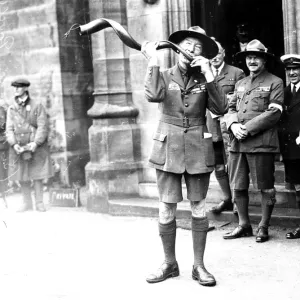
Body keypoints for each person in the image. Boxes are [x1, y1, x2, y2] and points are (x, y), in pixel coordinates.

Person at [141, 26, 226, 287]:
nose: (191, 49)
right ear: (178, 47)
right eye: (187, 44)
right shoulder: (164, 75)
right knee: (166, 206)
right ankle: (169, 263)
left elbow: (221, 108)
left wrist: (210, 74)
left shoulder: (205, 79)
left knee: (199, 206)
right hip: (168, 148)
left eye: (198, 46)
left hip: (198, 149)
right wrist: (153, 61)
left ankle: (199, 266)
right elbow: (153, 95)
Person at [223, 40, 284, 243]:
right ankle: (244, 225)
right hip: (237, 143)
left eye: (256, 57)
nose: (251, 60)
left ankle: (263, 226)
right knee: (238, 186)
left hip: (261, 143)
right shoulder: (240, 83)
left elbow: (274, 113)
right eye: (248, 57)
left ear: (264, 59)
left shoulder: (275, 82)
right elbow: (230, 109)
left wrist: (246, 129)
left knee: (265, 186)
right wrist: (232, 125)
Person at [207, 39, 245, 214]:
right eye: (211, 53)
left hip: (229, 125)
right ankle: (226, 198)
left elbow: (242, 99)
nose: (214, 57)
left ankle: (238, 201)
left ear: (223, 53)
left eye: (218, 52)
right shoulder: (203, 73)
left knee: (233, 163)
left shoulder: (236, 73)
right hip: (211, 126)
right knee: (218, 165)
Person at [6, 78, 53, 212]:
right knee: (22, 175)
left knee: (37, 173)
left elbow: (43, 126)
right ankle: (27, 203)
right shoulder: (11, 108)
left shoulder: (37, 105)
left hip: (34, 145)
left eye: (19, 87)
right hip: (19, 146)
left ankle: (39, 203)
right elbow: (9, 129)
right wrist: (14, 144)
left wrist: (36, 143)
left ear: (26, 88)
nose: (16, 90)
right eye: (14, 87)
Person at [278, 54, 300, 239]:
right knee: (298, 188)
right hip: (290, 149)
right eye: (289, 70)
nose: (292, 72)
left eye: (296, 69)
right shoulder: (284, 92)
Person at [0, 101, 8, 208]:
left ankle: (3, 196)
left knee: (1, 172)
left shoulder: (1, 110)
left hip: (0, 144)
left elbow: (3, 126)